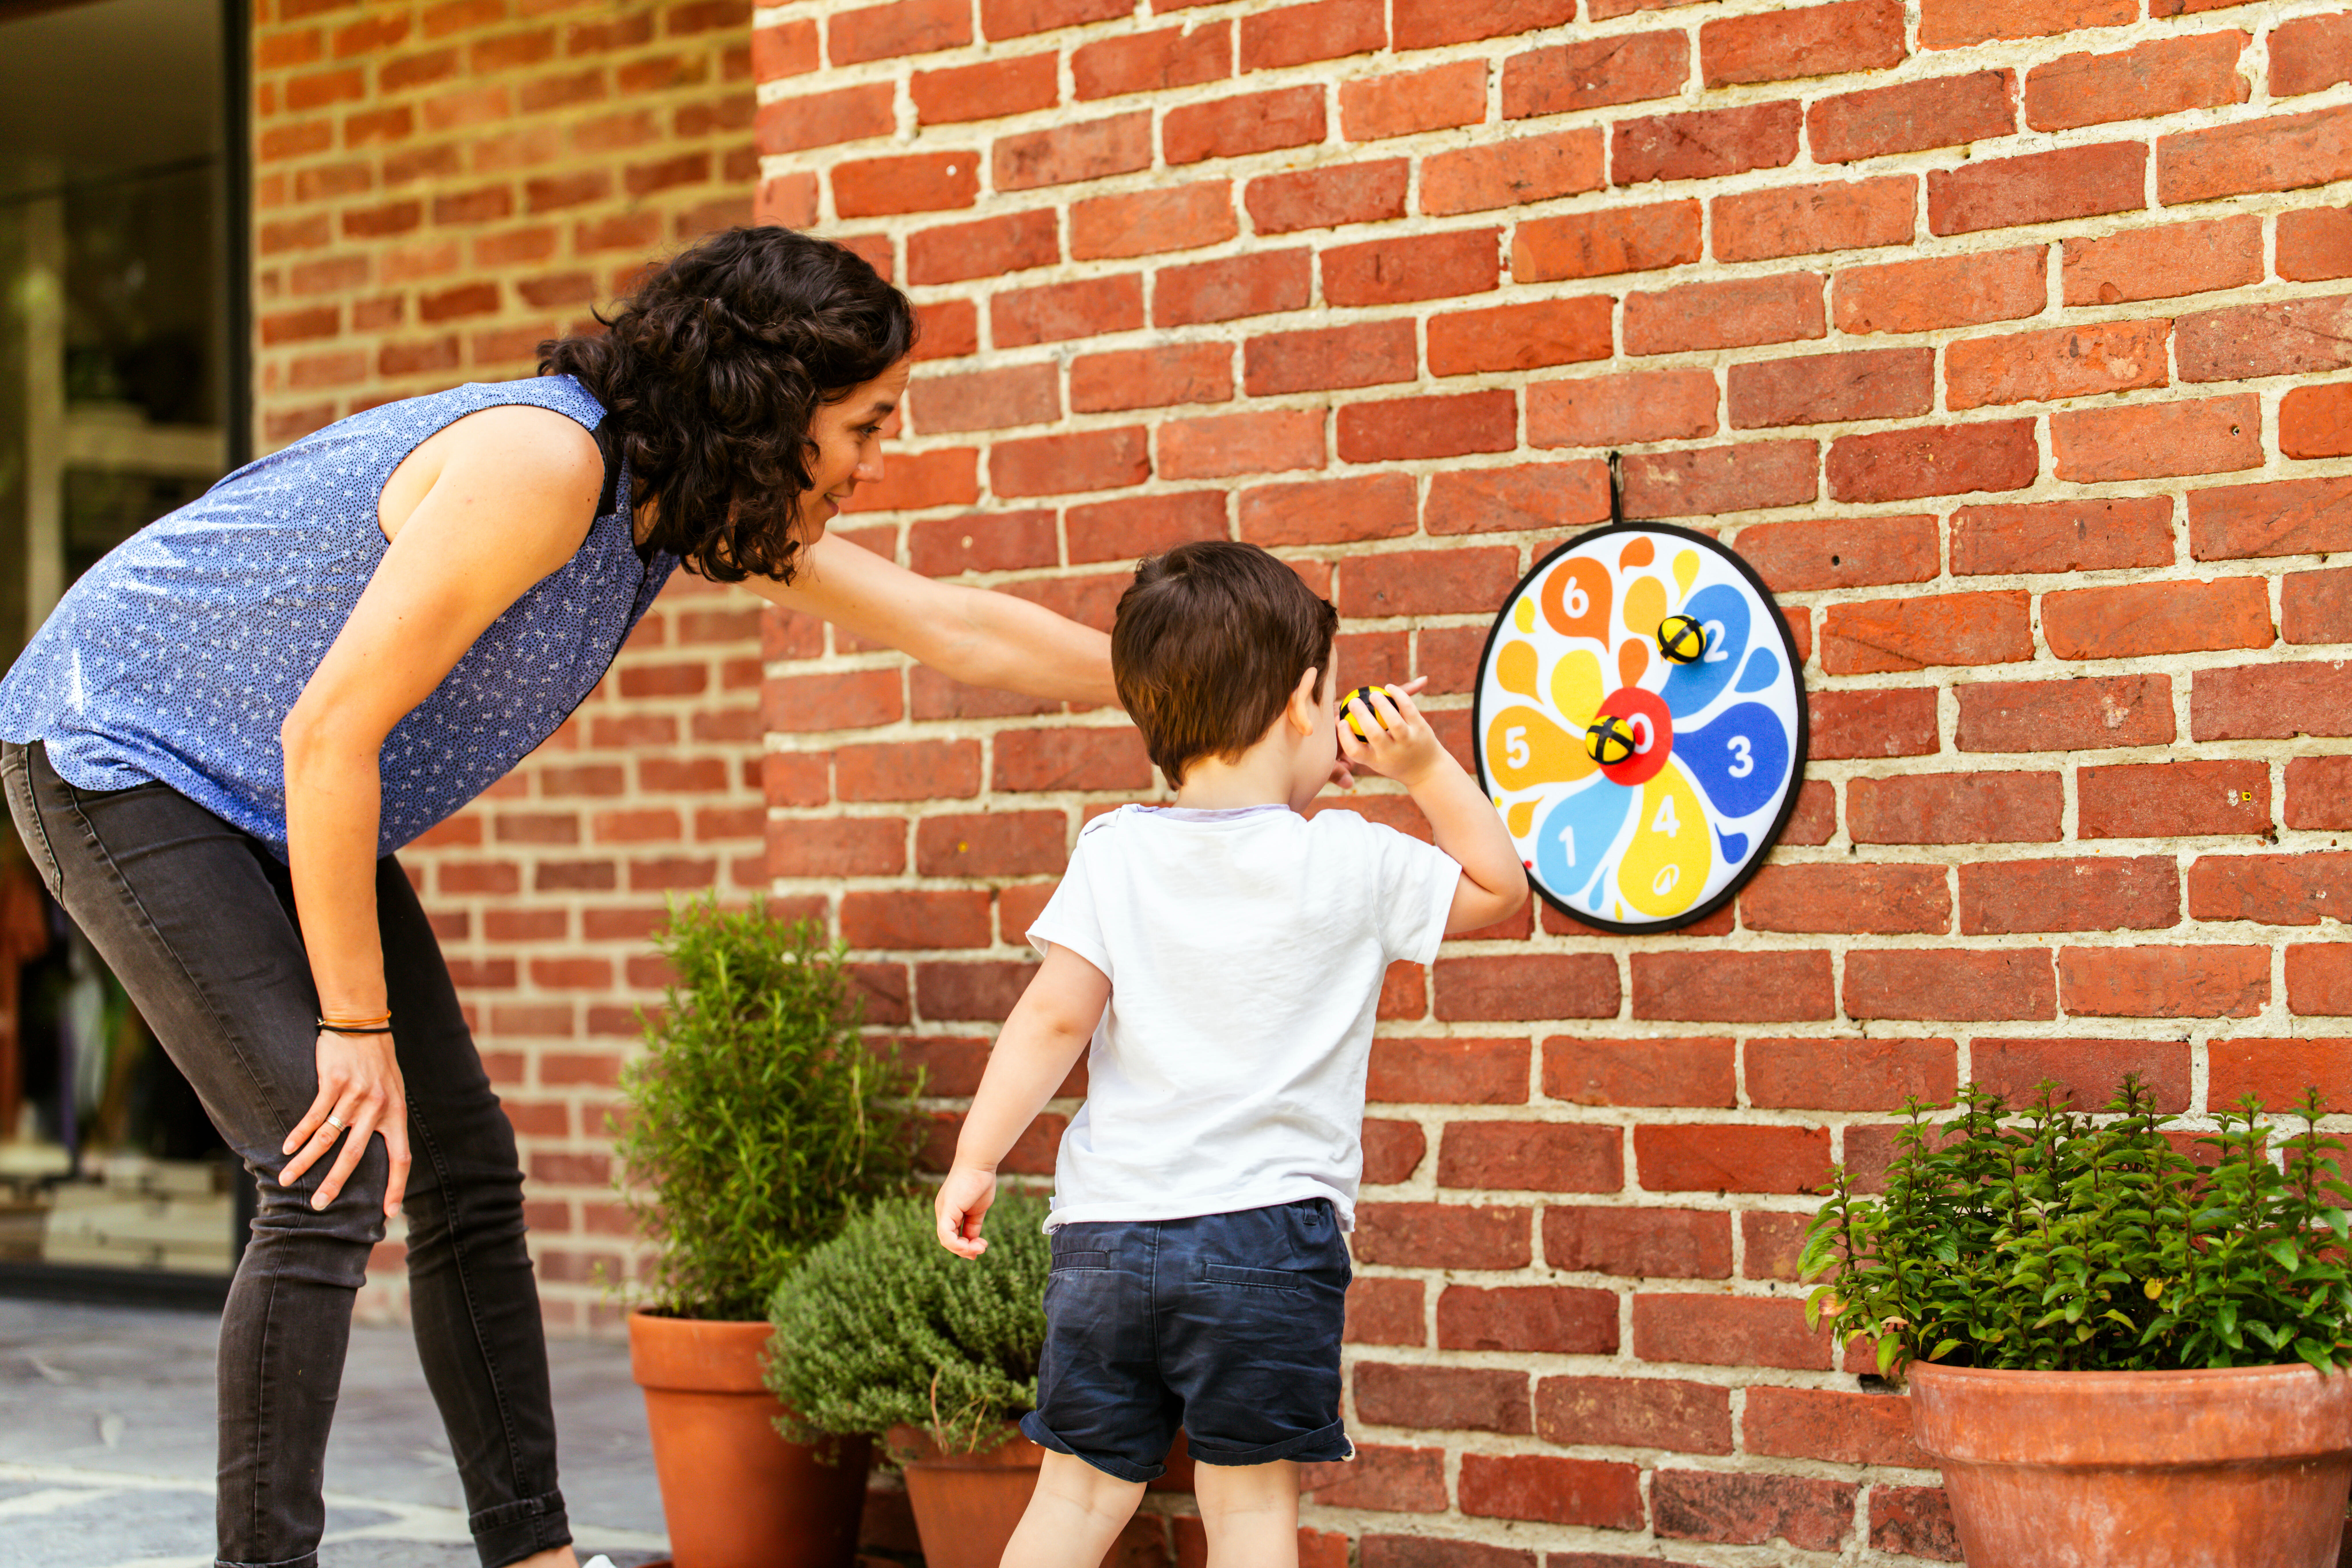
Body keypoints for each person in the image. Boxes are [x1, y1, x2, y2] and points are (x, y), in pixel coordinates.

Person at [0, 226, 1116, 1568]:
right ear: (772, 400)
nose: (880, 460)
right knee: (327, 1160)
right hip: (124, 753)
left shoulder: (679, 508)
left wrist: (1205, 689)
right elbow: (327, 734)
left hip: (272, 791)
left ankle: (530, 1554)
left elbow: (960, 629)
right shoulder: (548, 463)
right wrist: (354, 1033)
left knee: (464, 1166)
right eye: (867, 425)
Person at [933, 541, 1529, 1567]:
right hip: (1266, 1239)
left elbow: (1052, 1019)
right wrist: (1425, 768)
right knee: (1249, 1512)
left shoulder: (1114, 848)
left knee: (1073, 1501)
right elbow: (1496, 887)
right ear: (1306, 704)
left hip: (1108, 1242)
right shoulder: (1348, 856)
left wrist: (977, 1157)